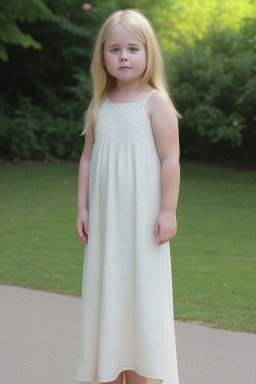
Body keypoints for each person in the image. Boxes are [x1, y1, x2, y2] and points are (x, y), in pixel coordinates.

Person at [75, 8, 181, 384]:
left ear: (148, 54)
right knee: (110, 293)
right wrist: (83, 207)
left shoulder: (155, 103)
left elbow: (170, 158)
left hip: (143, 224)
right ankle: (107, 369)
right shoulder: (99, 105)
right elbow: (87, 159)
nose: (123, 57)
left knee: (140, 297)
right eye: (114, 49)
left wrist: (168, 210)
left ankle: (142, 374)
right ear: (102, 56)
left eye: (133, 48)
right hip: (107, 224)